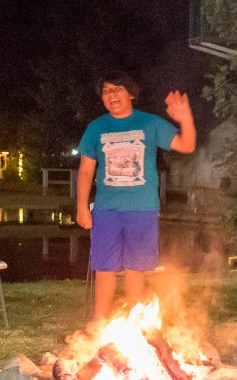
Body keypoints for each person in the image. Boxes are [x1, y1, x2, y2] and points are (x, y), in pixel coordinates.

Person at [76, 71, 196, 322]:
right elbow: (86, 171)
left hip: (142, 209)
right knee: (105, 268)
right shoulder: (96, 128)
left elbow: (187, 145)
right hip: (106, 210)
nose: (111, 94)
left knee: (135, 269)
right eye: (106, 91)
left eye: (117, 89)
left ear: (131, 94)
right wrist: (82, 208)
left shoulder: (150, 123)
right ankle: (99, 324)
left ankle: (134, 324)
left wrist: (185, 118)